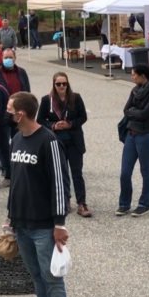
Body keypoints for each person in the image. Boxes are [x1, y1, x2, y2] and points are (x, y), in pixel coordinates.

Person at [3, 91, 76, 297]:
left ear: (20, 114)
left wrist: (59, 224)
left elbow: (60, 184)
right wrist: (10, 214)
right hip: (21, 224)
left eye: (10, 109)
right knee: (36, 276)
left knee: (52, 278)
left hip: (44, 226)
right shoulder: (16, 139)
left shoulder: (49, 141)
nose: (7, 112)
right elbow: (16, 181)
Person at [38, 72, 91, 217]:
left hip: (74, 141)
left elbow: (83, 117)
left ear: (68, 84)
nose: (62, 86)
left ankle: (82, 203)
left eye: (64, 83)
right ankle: (65, 200)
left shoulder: (75, 98)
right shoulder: (46, 100)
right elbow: (40, 120)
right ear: (54, 85)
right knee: (61, 174)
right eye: (58, 84)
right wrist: (54, 125)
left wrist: (70, 124)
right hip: (56, 142)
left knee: (77, 173)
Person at [117, 64, 149, 217]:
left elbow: (147, 113)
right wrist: (135, 113)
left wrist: (133, 113)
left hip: (147, 135)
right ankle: (124, 203)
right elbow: (126, 109)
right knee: (124, 172)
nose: (132, 77)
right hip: (131, 133)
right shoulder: (135, 90)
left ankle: (144, 203)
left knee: (145, 170)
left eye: (134, 75)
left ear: (143, 75)